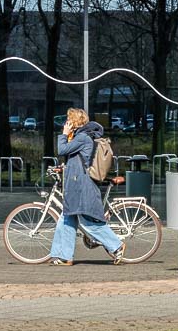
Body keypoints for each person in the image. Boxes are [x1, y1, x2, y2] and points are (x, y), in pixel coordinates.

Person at [48, 108, 125, 266]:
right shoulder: (80, 137)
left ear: (75, 122)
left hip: (82, 186)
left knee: (86, 222)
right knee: (66, 220)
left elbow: (62, 149)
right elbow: (77, 160)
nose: (66, 123)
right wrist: (65, 167)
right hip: (76, 184)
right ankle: (64, 256)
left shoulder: (83, 137)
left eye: (69, 120)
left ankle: (116, 246)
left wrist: (63, 134)